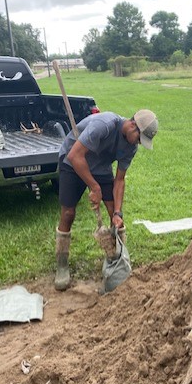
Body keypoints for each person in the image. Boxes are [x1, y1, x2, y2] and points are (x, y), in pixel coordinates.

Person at [54, 109, 159, 291]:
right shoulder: (104, 125)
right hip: (74, 162)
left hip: (100, 166)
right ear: (132, 125)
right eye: (140, 138)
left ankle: (118, 262)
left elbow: (119, 180)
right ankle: (61, 265)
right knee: (68, 213)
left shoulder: (131, 147)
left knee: (116, 218)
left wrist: (118, 212)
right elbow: (75, 156)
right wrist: (94, 188)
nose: (139, 144)